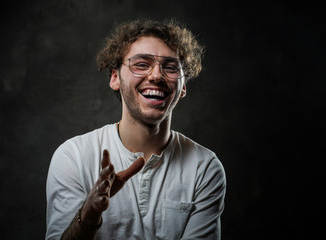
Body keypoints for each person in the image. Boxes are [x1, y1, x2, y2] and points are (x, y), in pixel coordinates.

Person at [45, 19, 226, 240]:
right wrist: (89, 213)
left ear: (183, 87)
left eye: (170, 67)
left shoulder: (204, 168)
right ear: (115, 78)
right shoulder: (73, 156)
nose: (156, 76)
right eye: (141, 64)